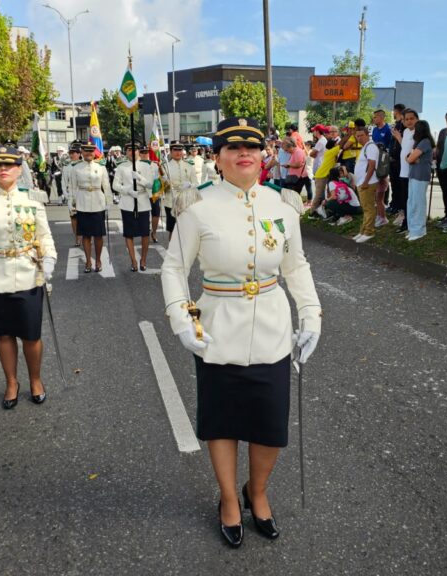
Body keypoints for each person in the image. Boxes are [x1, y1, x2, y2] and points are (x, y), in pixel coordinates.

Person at [160, 116, 321, 548]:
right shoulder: (198, 208)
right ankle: (230, 500)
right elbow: (174, 268)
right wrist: (180, 319)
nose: (242, 154)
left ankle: (258, 492)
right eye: (232, 148)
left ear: (263, 156)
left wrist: (311, 314)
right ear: (218, 158)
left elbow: (296, 265)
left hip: (271, 328)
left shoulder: (283, 206)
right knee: (223, 423)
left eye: (251, 147)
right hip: (218, 330)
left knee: (270, 426)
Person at [0, 145, 57, 409]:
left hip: (29, 273)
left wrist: (49, 258)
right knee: (4, 334)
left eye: (9, 165)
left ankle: (35, 379)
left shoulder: (32, 200)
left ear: (19, 169)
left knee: (31, 335)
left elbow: (44, 236)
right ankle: (11, 382)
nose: (3, 169)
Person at [114, 142, 157, 271]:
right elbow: (115, 185)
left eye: (134, 150)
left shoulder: (146, 166)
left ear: (138, 151)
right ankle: (133, 260)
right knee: (128, 234)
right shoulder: (121, 167)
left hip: (143, 200)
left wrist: (140, 178)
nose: (132, 152)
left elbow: (151, 185)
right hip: (128, 202)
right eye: (128, 150)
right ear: (126, 152)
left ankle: (143, 259)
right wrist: (127, 190)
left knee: (145, 233)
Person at [71, 141, 113, 273]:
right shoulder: (76, 168)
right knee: (86, 236)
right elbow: (72, 187)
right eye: (86, 151)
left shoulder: (101, 168)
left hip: (98, 203)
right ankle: (88, 260)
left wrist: (109, 202)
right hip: (82, 203)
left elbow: (106, 186)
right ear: (82, 152)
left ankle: (99, 259)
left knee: (98, 235)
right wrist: (71, 203)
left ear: (94, 153)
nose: (89, 153)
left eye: (91, 151)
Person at [405, 120, 435, 241]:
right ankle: (412, 229)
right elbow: (408, 158)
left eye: (416, 129)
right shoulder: (418, 143)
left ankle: (419, 231)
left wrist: (412, 159)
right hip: (414, 175)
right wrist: (412, 159)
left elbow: (410, 158)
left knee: (418, 203)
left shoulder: (425, 142)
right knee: (411, 203)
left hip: (420, 176)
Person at [162, 142, 198, 236]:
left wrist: (190, 185)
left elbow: (196, 183)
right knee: (173, 231)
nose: (178, 152)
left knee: (187, 230)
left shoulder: (189, 166)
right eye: (175, 150)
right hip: (171, 202)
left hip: (186, 202)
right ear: (170, 151)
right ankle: (172, 250)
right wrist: (167, 183)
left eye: (180, 150)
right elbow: (162, 187)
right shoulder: (165, 166)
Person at [353, 125, 380, 244]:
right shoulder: (365, 147)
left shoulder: (370, 147)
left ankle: (369, 232)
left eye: (361, 135)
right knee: (366, 208)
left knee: (368, 208)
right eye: (357, 136)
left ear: (367, 135)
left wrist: (365, 181)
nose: (359, 138)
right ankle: (363, 231)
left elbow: (372, 165)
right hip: (362, 182)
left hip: (367, 183)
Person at [371, 109, 393, 222]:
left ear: (381, 117)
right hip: (376, 159)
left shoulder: (388, 129)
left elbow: (391, 144)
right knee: (376, 187)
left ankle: (383, 212)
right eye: (373, 117)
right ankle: (379, 213)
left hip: (384, 161)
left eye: (375, 117)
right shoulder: (374, 130)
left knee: (382, 186)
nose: (374, 119)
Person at [62, 142, 84, 241]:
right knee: (74, 218)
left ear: (79, 154)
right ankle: (77, 237)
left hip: (83, 194)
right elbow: (63, 181)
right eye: (70, 152)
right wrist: (66, 195)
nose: (71, 155)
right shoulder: (67, 166)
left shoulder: (84, 165)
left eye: (74, 152)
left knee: (84, 218)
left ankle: (85, 236)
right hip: (72, 195)